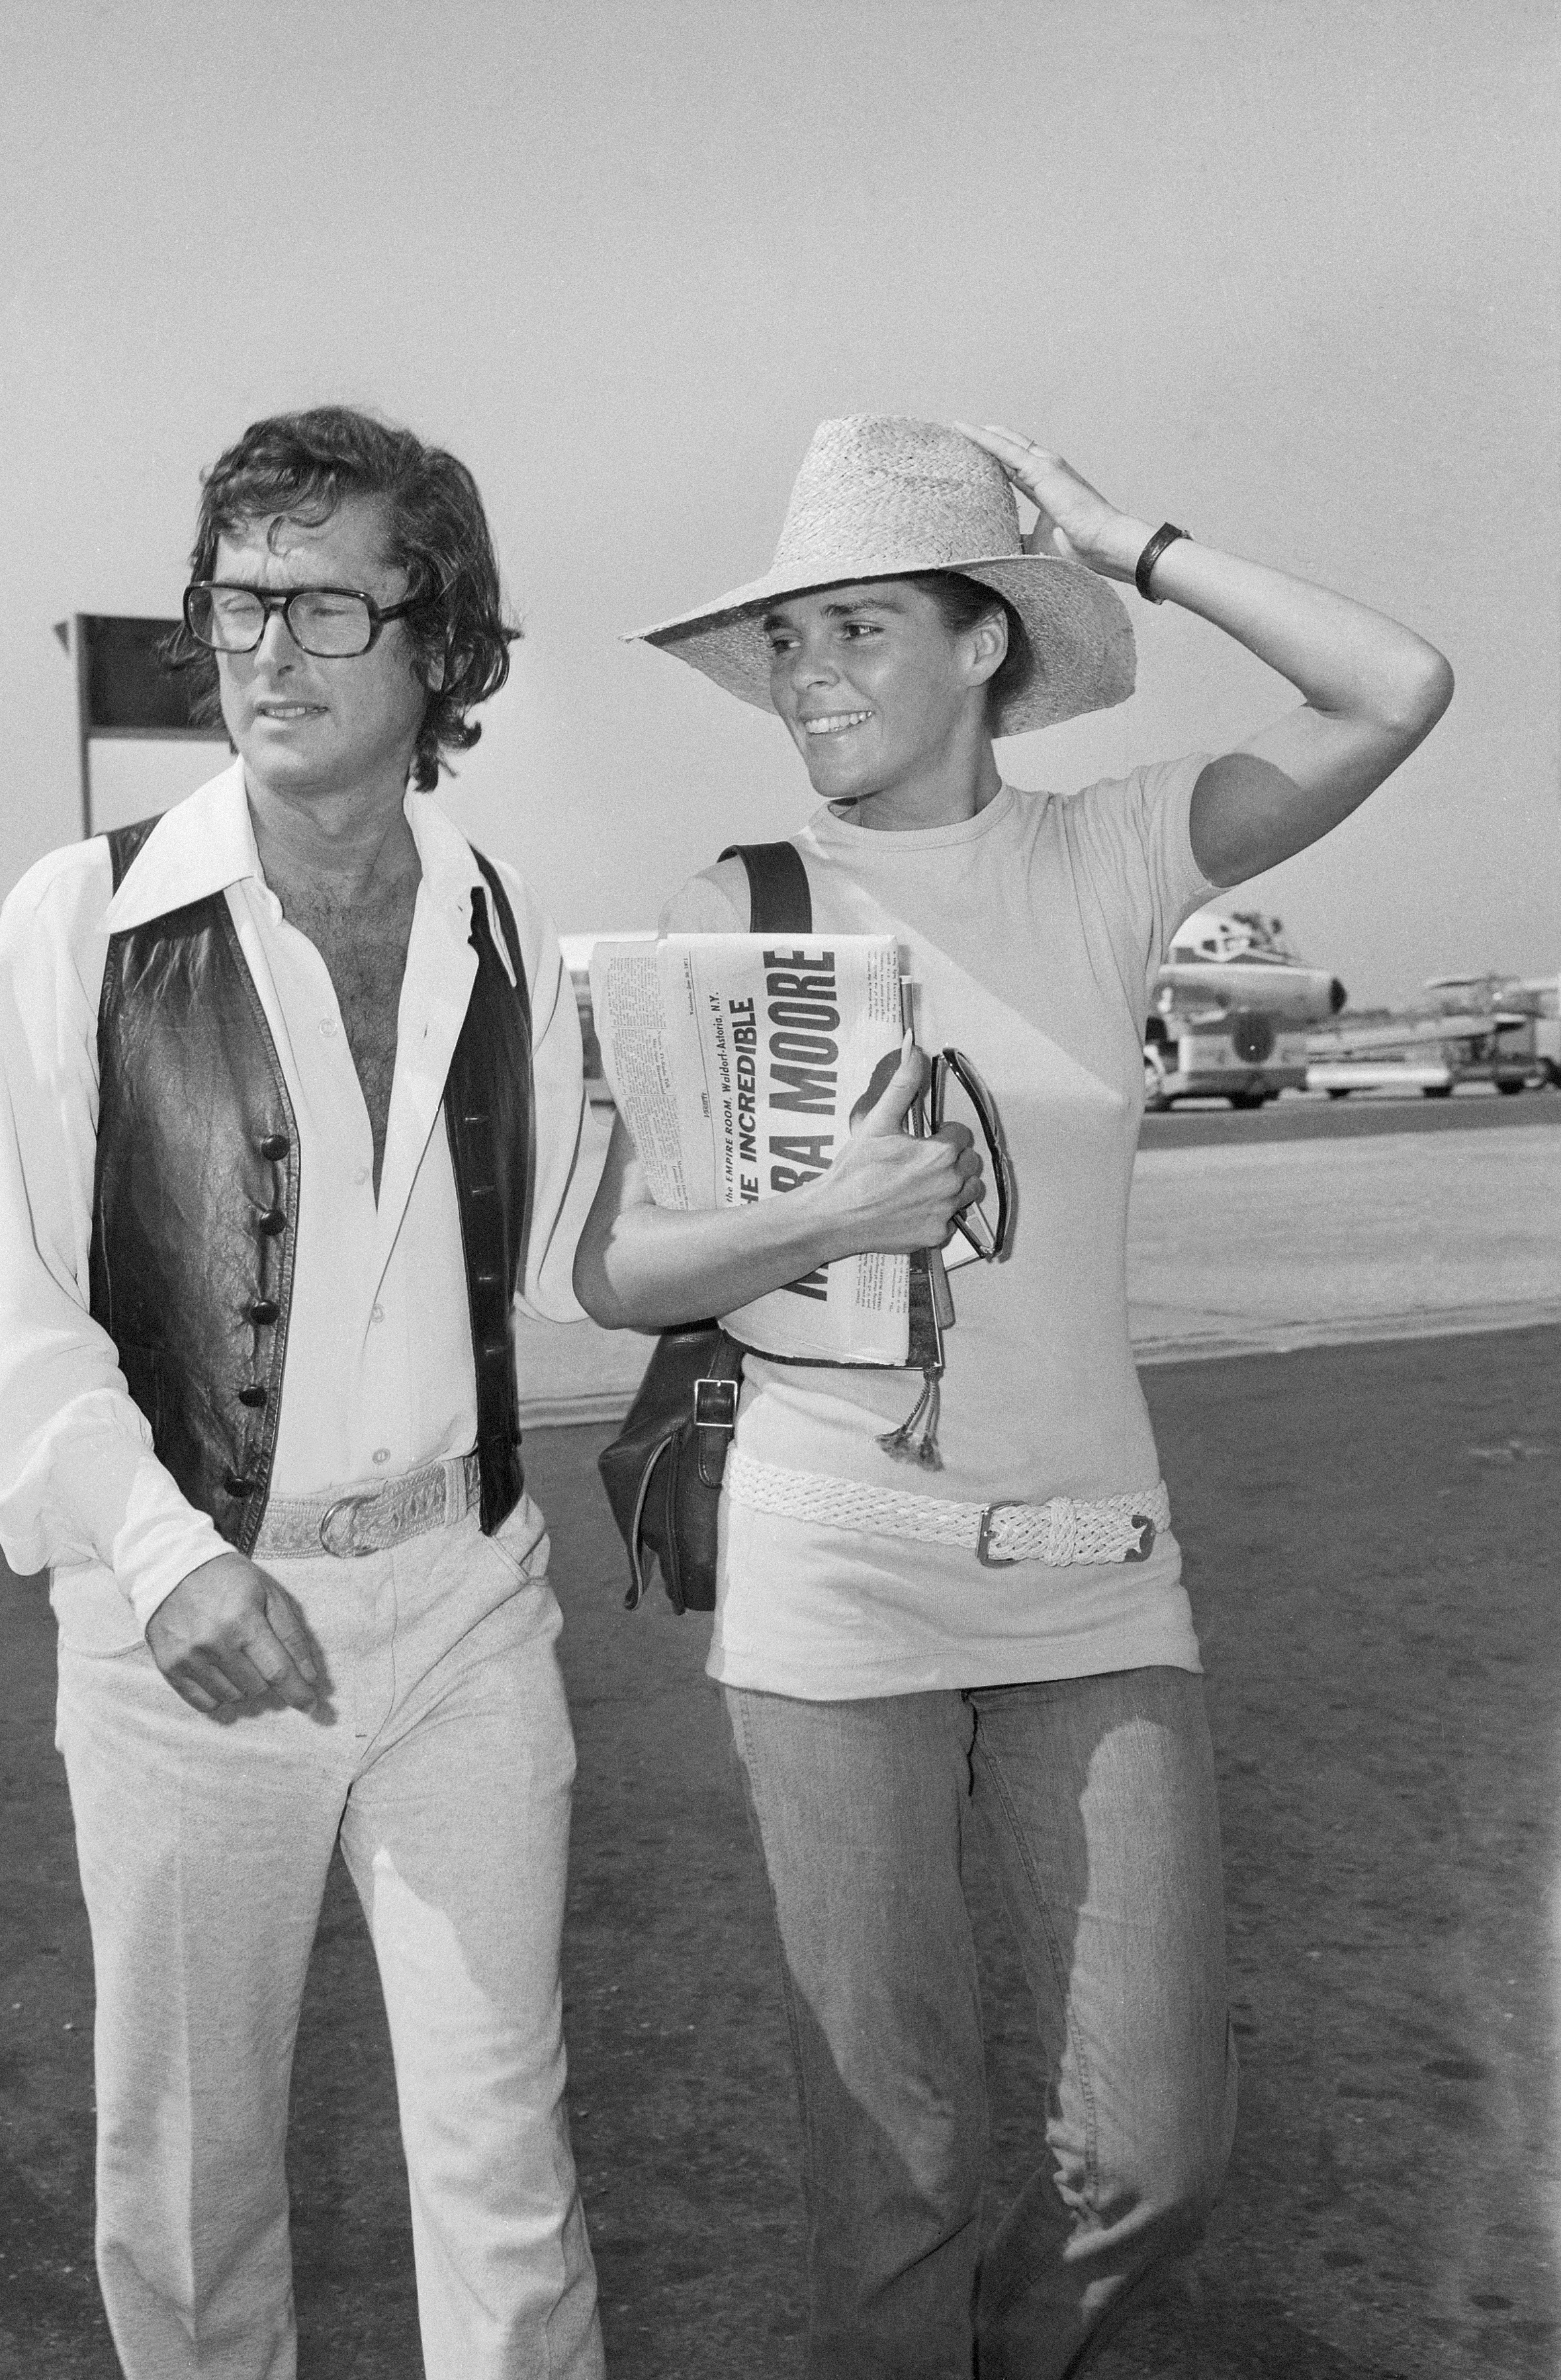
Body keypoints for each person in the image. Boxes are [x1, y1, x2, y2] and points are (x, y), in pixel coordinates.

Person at [576, 415, 1451, 2377]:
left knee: (1147, 2160)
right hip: (831, 1582)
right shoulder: (736, 900)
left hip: (1092, 1573)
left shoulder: (1109, 850)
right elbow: (607, 1268)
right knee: (890, 2167)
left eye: (858, 627)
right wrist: (831, 1207)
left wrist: (1124, 542)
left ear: (985, 644)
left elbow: (1393, 685)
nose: (807, 678)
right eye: (786, 640)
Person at [0, 406, 605, 2380]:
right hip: (188, 1633)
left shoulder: (508, 929)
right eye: (237, 602)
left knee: (510, 2163)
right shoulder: (80, 920)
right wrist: (163, 1564)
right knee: (189, 2179)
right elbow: (20, 1317)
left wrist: (813, 1197)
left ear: (445, 643)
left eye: (324, 604)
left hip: (468, 1611)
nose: (263, 650)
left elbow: (593, 1245)